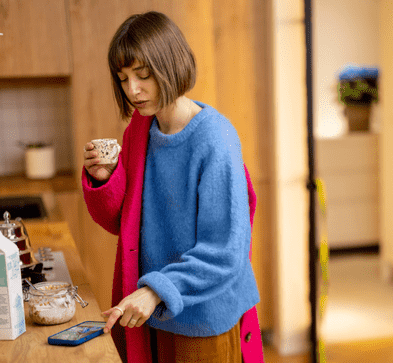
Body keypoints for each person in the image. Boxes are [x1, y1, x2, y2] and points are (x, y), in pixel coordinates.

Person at [82, 11, 264, 363]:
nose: (132, 90)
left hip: (203, 321)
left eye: (143, 75)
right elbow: (126, 225)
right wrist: (106, 179)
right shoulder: (140, 130)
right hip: (155, 312)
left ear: (170, 65)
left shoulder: (214, 139)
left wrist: (155, 291)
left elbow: (225, 251)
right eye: (123, 79)